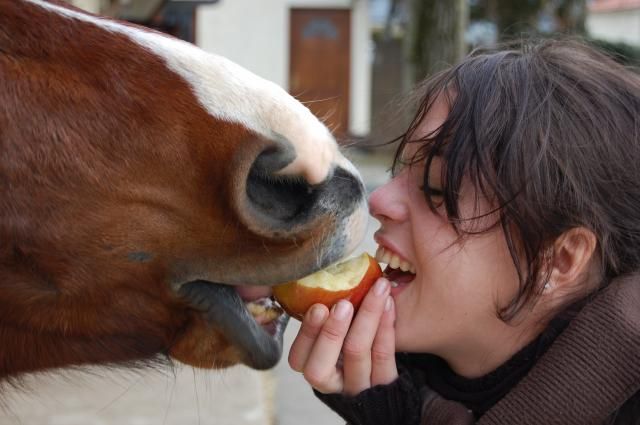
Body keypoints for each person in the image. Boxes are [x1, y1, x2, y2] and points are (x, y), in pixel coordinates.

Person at [287, 38, 640, 425]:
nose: (379, 200)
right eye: (398, 171)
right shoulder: (422, 381)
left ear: (559, 260)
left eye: (436, 188)